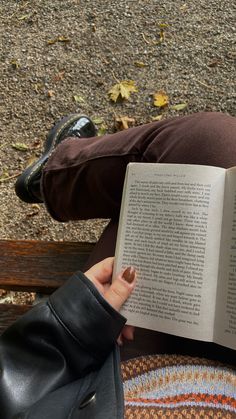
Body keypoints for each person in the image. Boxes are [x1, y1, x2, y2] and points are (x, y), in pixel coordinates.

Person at [1, 113, 236, 418]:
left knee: (194, 149)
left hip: (116, 390)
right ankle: (55, 176)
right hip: (209, 382)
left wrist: (73, 326)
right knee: (211, 142)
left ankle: (54, 176)